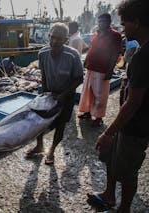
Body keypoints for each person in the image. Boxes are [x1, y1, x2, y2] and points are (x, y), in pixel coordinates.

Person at [87, 1, 149, 212]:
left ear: (137, 23)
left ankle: (124, 209)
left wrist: (109, 132)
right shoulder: (142, 50)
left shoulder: (144, 56)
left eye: (125, 24)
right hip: (128, 122)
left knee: (128, 171)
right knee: (110, 156)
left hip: (136, 126)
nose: (122, 29)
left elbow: (134, 102)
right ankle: (109, 195)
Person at [24, 23, 83, 165]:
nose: (55, 41)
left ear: (66, 39)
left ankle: (51, 150)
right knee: (39, 122)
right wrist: (45, 93)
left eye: (59, 38)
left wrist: (63, 95)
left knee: (60, 125)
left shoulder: (73, 55)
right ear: (49, 36)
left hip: (66, 96)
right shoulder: (42, 53)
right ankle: (39, 146)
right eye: (52, 37)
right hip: (49, 93)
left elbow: (79, 78)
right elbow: (43, 75)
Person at [78, 13, 122, 127]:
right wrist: (86, 61)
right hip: (90, 68)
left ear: (109, 22)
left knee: (100, 95)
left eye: (103, 21)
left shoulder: (115, 35)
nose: (101, 23)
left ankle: (98, 117)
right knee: (87, 92)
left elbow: (116, 53)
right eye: (99, 21)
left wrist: (110, 70)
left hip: (103, 69)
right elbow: (92, 48)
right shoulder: (96, 33)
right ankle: (87, 112)